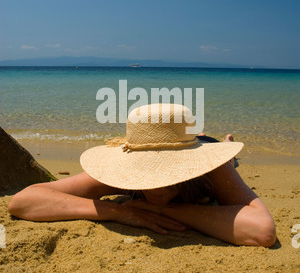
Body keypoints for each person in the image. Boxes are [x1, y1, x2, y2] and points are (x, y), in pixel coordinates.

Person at [8, 104, 276, 248]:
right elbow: (23, 201)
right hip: (189, 143)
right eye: (148, 167)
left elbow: (262, 231)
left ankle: (226, 141)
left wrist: (160, 208)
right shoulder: (120, 169)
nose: (155, 181)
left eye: (164, 170)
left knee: (230, 158)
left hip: (205, 146)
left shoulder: (212, 168)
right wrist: (116, 211)